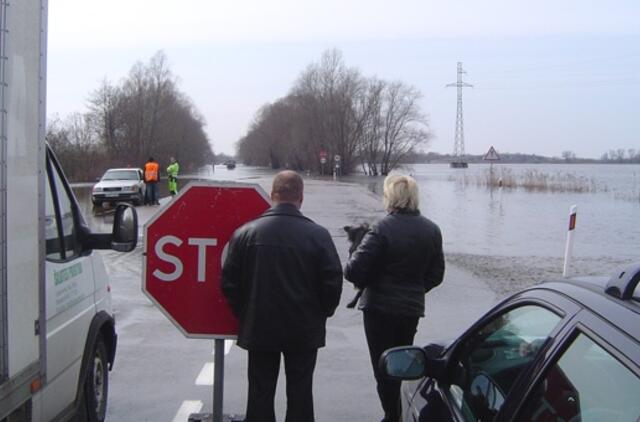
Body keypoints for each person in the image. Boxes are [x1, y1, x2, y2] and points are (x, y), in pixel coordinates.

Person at [221, 170, 343, 422]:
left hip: (259, 326)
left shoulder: (245, 233)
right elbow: (332, 283)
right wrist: (321, 314)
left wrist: (245, 313)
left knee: (259, 393)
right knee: (300, 393)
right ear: (301, 197)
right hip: (304, 329)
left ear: (272, 195)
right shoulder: (318, 235)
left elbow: (229, 283)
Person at [344, 174, 445, 422]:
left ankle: (392, 415)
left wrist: (357, 258)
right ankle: (396, 412)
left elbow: (353, 271)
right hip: (410, 309)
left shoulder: (381, 228)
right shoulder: (432, 230)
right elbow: (437, 274)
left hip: (378, 308)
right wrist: (416, 289)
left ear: (390, 197)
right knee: (400, 363)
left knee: (383, 366)